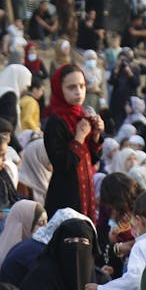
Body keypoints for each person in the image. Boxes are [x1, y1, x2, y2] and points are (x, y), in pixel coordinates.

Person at [44, 65, 103, 222]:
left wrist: (96, 134)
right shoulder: (55, 122)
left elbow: (93, 159)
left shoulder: (81, 115)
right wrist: (79, 138)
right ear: (59, 89)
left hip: (86, 190)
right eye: (71, 87)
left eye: (82, 86)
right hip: (66, 195)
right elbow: (63, 164)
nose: (78, 92)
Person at [0, 199, 44, 290]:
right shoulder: (3, 257)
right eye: (41, 223)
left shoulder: (31, 252)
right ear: (26, 223)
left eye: (47, 222)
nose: (45, 228)